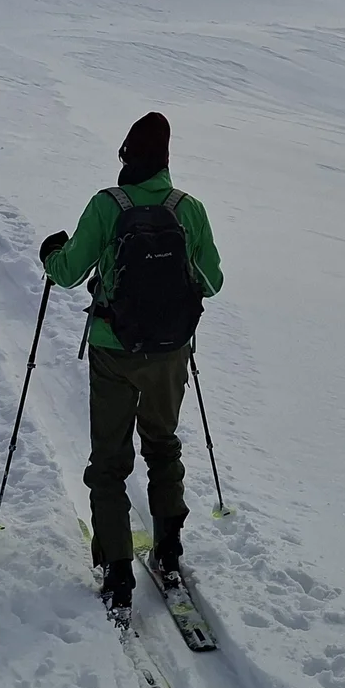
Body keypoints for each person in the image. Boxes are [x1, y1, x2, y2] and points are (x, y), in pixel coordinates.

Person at [39, 113, 223, 611]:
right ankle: (169, 550)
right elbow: (212, 282)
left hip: (114, 349)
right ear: (165, 159)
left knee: (109, 460)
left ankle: (118, 569)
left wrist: (51, 253)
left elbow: (68, 272)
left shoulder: (108, 204)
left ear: (127, 155)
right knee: (162, 445)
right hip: (170, 354)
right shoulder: (188, 208)